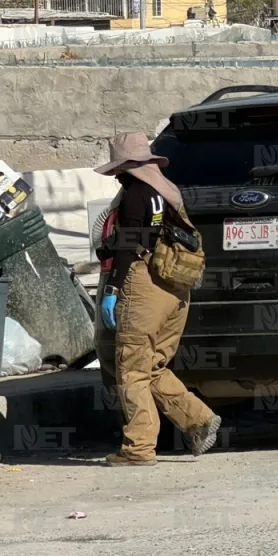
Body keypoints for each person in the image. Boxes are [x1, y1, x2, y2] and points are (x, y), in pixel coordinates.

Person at [96, 132, 222, 466]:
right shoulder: (167, 192)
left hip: (145, 285)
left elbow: (129, 243)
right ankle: (199, 419)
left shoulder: (135, 194)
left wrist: (112, 289)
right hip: (176, 288)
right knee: (154, 366)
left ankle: (138, 448)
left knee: (132, 369)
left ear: (126, 167)